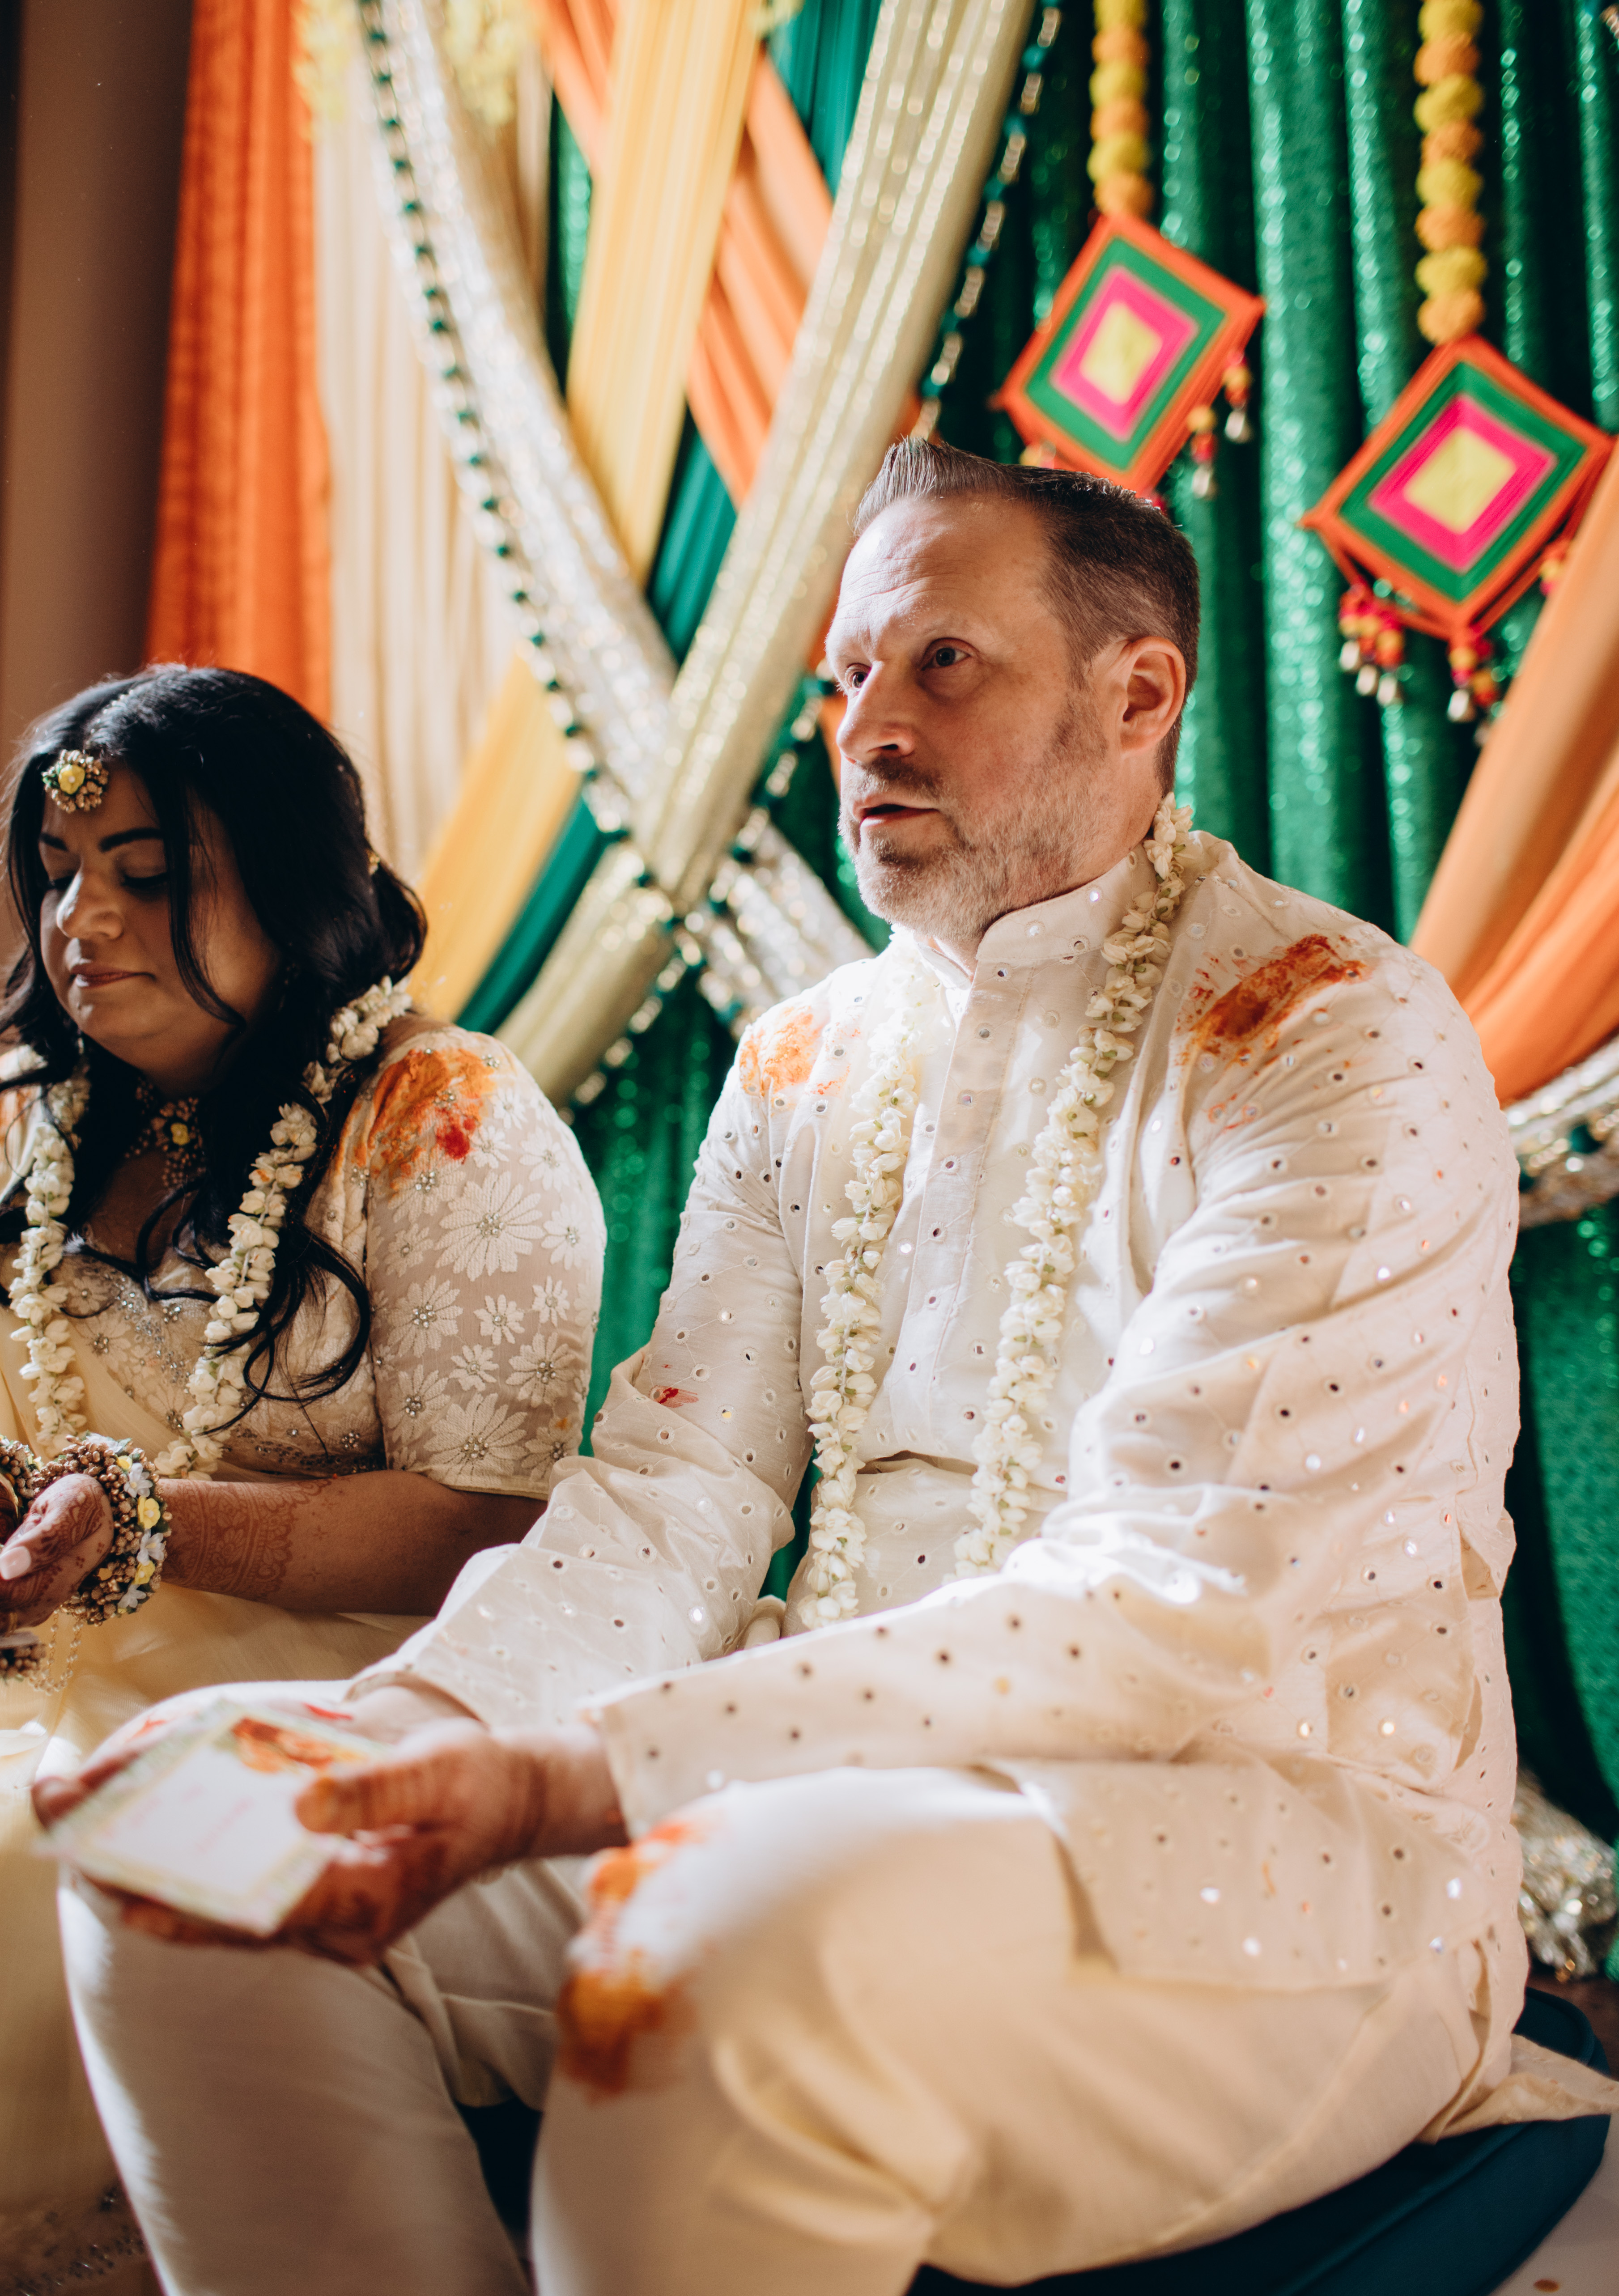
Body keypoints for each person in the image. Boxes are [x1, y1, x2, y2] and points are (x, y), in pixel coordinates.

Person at [45, 453, 1617, 2296]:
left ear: (1136, 696)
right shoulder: (804, 1059)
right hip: (794, 1795)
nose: (864, 727)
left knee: (709, 1941)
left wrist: (575, 1779)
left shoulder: (1322, 1030)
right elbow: (674, 1499)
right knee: (201, 1876)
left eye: (939, 662)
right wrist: (401, 1736)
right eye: (844, 676)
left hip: (1265, 1852)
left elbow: (1173, 1604)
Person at [0, 667, 603, 2290]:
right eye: (57, 875)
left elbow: (485, 1525)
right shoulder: (34, 1117)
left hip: (341, 1675)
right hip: (37, 1653)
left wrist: (136, 1525)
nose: (82, 923)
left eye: (147, 874)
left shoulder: (441, 1117)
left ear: (284, 875)